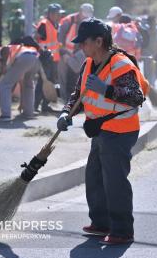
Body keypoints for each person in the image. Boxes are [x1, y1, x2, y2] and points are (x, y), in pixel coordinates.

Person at [57, 18, 149, 245]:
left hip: (120, 130)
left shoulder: (120, 64)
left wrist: (106, 89)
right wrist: (66, 113)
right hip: (100, 129)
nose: (80, 46)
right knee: (94, 176)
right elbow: (78, 94)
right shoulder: (89, 63)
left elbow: (136, 97)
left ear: (99, 41)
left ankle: (122, 230)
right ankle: (101, 223)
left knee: (114, 180)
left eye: (84, 42)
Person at [0, 37, 40, 121]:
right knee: (28, 85)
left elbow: (5, 49)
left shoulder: (1, 50)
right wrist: (21, 102)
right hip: (36, 59)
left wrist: (3, 65)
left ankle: (5, 115)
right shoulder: (23, 49)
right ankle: (28, 112)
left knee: (5, 84)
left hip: (24, 58)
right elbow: (19, 81)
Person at [58, 3, 94, 101]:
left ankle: (75, 101)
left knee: (77, 78)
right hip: (65, 53)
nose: (85, 18)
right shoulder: (68, 21)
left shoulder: (90, 22)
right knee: (63, 78)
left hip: (79, 54)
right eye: (84, 16)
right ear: (80, 12)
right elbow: (59, 39)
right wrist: (63, 53)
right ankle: (65, 102)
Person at [35, 3, 64, 112]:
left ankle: (45, 105)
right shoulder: (44, 24)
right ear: (51, 14)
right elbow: (36, 39)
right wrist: (43, 51)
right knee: (42, 81)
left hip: (53, 59)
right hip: (45, 59)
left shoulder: (55, 24)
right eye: (58, 14)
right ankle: (35, 105)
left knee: (51, 81)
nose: (60, 16)